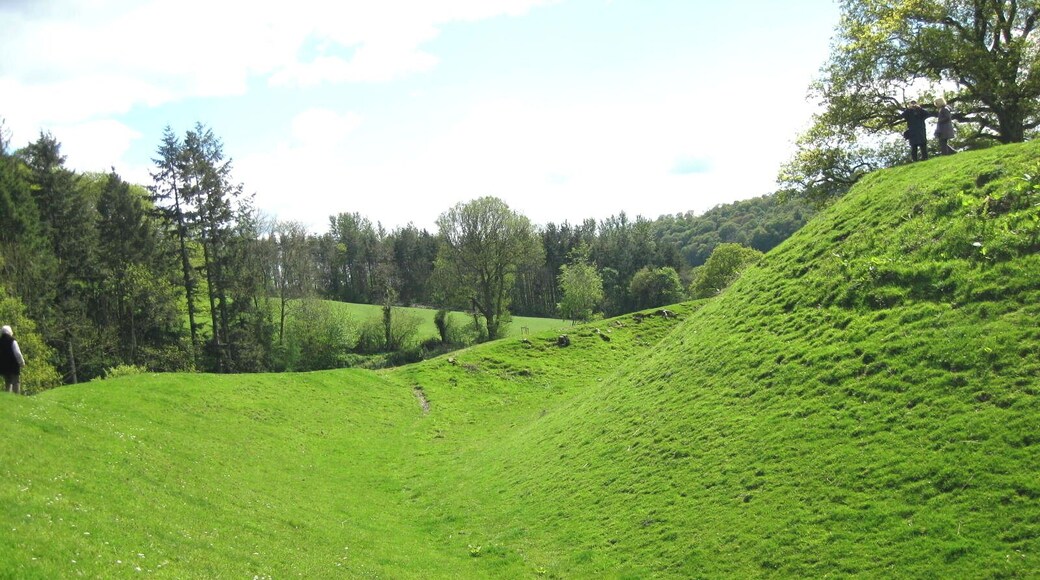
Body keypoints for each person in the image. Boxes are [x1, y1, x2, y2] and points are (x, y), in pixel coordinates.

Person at [0, 325, 25, 394]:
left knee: (7, 382)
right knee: (16, 382)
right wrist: (21, 362)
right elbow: (17, 353)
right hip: (13, 365)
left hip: (3, 366)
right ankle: (16, 396)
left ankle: (8, 395)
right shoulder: (12, 341)